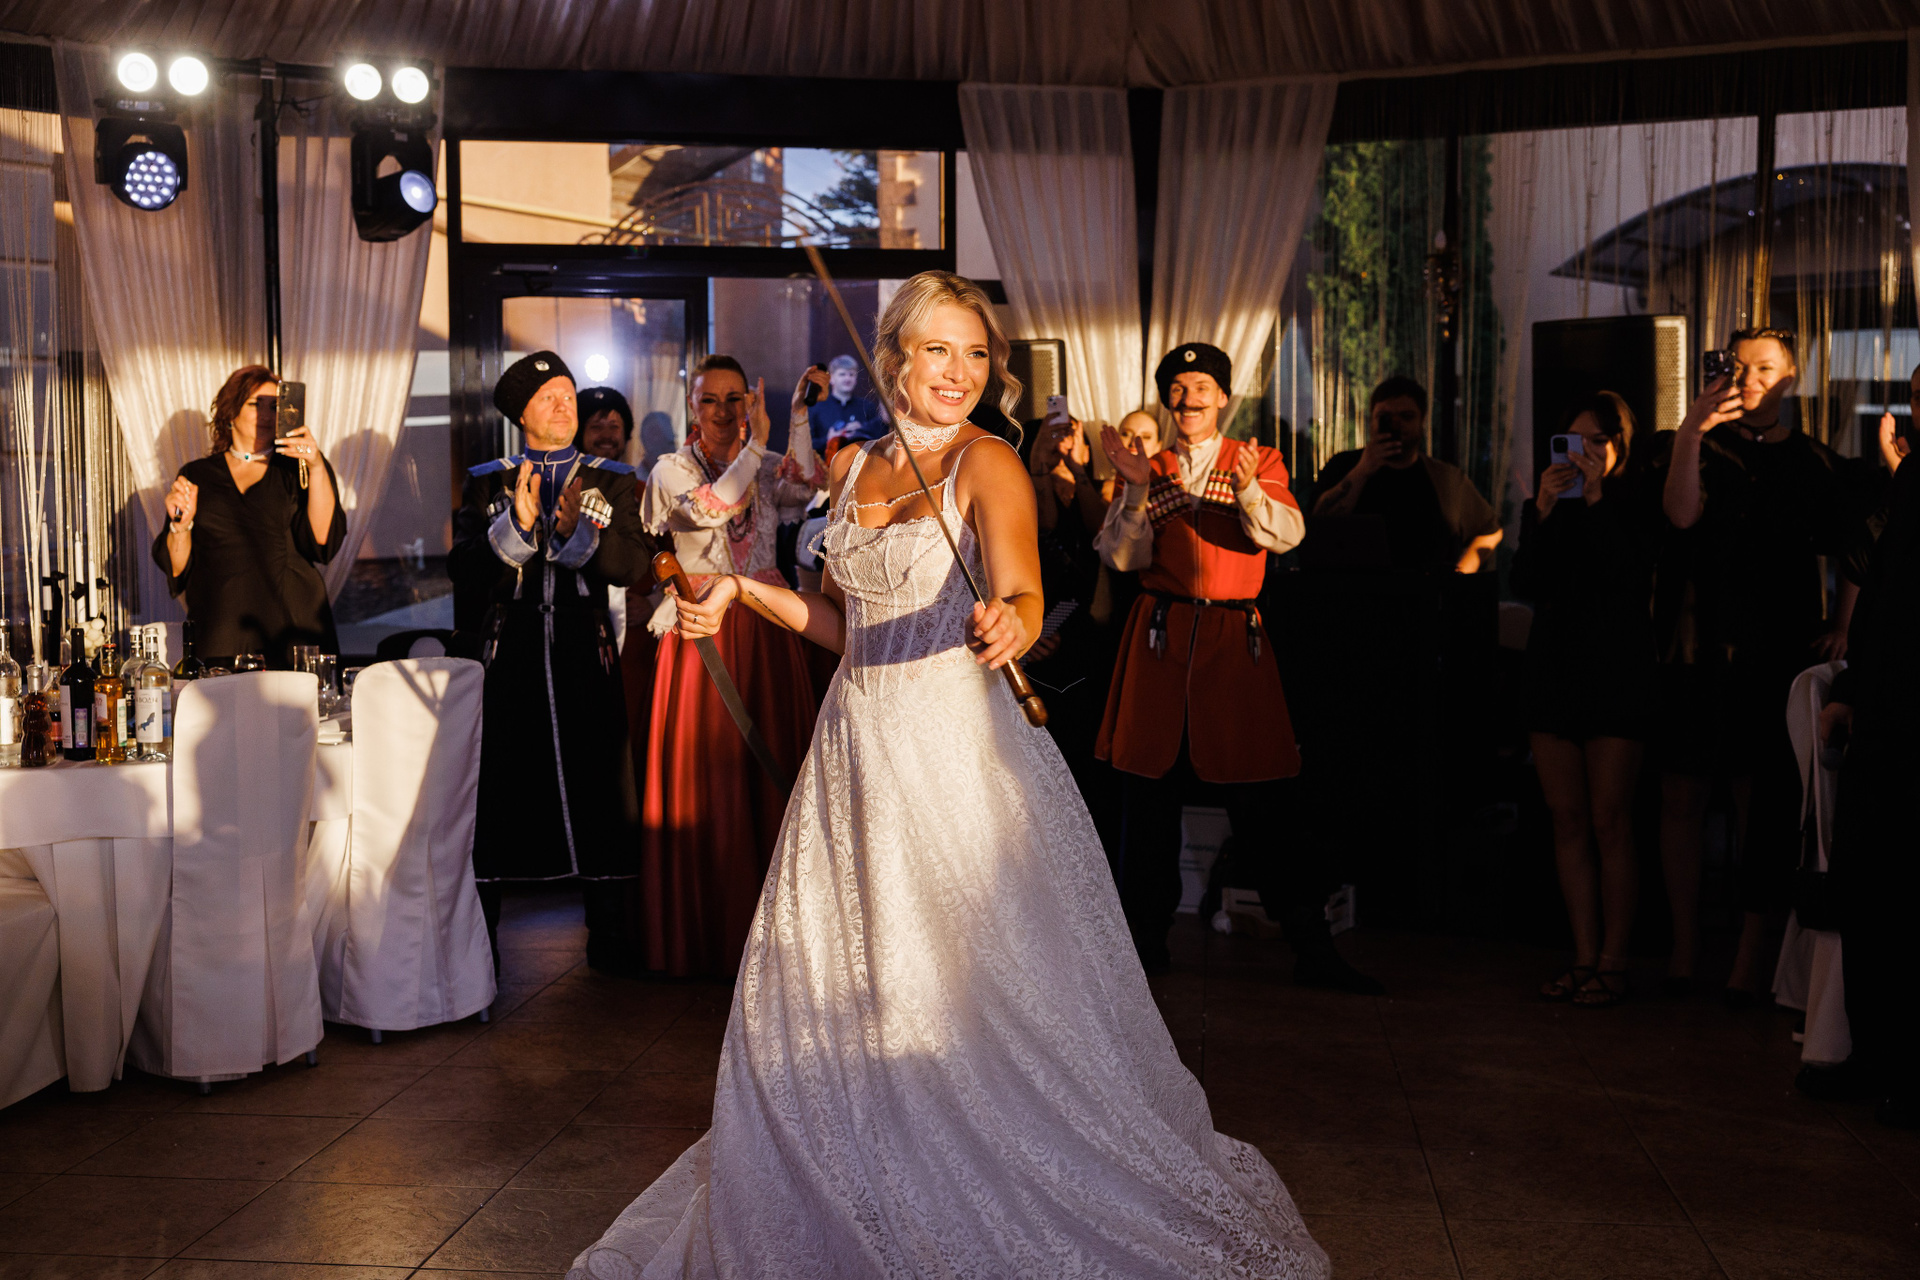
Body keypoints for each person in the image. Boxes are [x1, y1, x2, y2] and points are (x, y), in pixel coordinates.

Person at [571, 271, 1329, 1279]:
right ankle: (858, 1173)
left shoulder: (989, 461)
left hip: (953, 749)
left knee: (955, 988)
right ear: (895, 357)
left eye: (975, 354)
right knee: (846, 975)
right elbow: (843, 627)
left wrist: (1011, 620)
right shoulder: (851, 467)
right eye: (939, 349)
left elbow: (1022, 590)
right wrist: (742, 590)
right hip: (853, 745)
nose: (959, 372)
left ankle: (968, 1180)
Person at [1092, 342, 1380, 993]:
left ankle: (1311, 945)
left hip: (1231, 647)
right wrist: (1135, 489)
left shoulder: (1258, 460)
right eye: (1178, 387)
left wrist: (1248, 488)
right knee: (1149, 803)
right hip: (1161, 644)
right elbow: (1123, 558)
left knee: (1265, 802)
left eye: (1201, 386)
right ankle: (1143, 949)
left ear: (1222, 397)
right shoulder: (1148, 468)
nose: (1188, 398)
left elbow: (1287, 535)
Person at [1658, 327, 1873, 1003]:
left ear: (1791, 376)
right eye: (1739, 366)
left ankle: (1750, 959)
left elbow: (1857, 549)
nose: (1750, 379)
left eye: (1764, 368)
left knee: (1764, 805)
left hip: (1777, 649)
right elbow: (1681, 516)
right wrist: (1691, 431)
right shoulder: (1696, 446)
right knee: (1682, 796)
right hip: (1697, 645)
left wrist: (1843, 627)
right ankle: (1684, 949)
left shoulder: (1813, 462)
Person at [448, 351, 656, 967]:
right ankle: (483, 946)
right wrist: (514, 527)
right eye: (549, 397)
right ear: (522, 414)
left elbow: (633, 566)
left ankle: (610, 936)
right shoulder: (487, 480)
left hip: (585, 647)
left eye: (569, 393)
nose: (566, 404)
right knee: (500, 788)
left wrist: (575, 536)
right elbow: (463, 571)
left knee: (601, 786)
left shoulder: (611, 480)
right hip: (507, 653)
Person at [636, 355, 825, 978]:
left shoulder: (763, 464)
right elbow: (713, 508)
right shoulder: (671, 470)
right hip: (700, 627)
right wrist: (758, 446)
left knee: (771, 767)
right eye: (710, 400)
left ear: (749, 402)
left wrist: (797, 419)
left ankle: (779, 938)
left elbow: (805, 486)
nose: (722, 411)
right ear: (692, 406)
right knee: (707, 778)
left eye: (733, 399)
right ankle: (708, 933)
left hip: (765, 623)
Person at [1511, 392, 1662, 1008]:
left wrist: (1597, 497)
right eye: (1574, 442)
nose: (1585, 455)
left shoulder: (1635, 502)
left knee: (1610, 819)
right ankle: (1582, 954)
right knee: (1567, 818)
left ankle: (1614, 960)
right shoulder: (1547, 504)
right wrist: (1544, 510)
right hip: (1554, 668)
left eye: (1598, 442)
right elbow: (1524, 582)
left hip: (1616, 671)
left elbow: (1629, 578)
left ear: (1621, 445)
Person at [1801, 363, 1920, 1126]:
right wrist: (1848, 689)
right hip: (1886, 712)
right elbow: (1878, 594)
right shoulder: (1909, 482)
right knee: (1871, 891)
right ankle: (1877, 1059)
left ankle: (1905, 1072)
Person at [153, 365, 345, 668]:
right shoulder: (197, 474)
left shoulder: (298, 467)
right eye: (257, 404)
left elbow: (323, 542)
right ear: (230, 411)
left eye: (275, 406)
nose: (267, 414)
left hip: (293, 625)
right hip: (220, 626)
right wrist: (181, 525)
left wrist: (317, 465)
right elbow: (177, 569)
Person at [1311, 376, 1503, 573]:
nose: (1397, 425)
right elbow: (1318, 524)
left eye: (1406, 416)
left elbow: (1489, 531)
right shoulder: (1344, 465)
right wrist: (1362, 470)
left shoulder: (1445, 478)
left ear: (1422, 421)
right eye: (1385, 418)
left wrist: (1459, 575)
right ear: (1372, 420)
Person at [805, 352, 884, 452]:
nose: (847, 379)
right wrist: (828, 439)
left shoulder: (867, 406)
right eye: (842, 374)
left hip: (858, 460)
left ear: (856, 379)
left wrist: (862, 429)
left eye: (851, 374)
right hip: (826, 461)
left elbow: (881, 438)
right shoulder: (815, 407)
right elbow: (805, 445)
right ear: (831, 378)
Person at [637, 410, 677, 475]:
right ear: (644, 440)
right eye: (653, 433)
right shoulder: (636, 477)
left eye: (664, 433)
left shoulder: (682, 470)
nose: (659, 439)